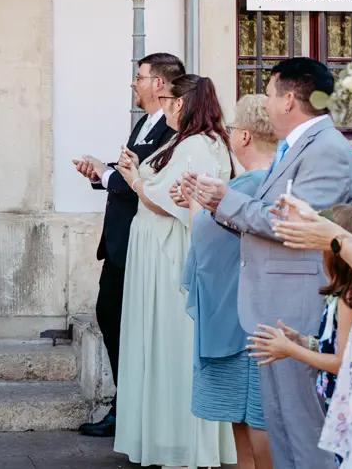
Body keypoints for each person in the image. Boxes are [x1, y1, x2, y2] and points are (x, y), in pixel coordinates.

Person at [185, 57, 352, 469]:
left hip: (297, 305)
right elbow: (263, 221)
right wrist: (219, 206)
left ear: (288, 99)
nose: (263, 105)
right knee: (281, 428)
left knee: (303, 431)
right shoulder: (299, 146)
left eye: (267, 94)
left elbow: (293, 225)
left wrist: (226, 200)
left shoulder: (328, 150)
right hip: (273, 305)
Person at [112, 74, 237, 468]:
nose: (160, 104)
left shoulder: (199, 144)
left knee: (169, 339)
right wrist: (139, 170)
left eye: (164, 98)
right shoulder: (183, 140)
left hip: (168, 251)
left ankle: (179, 441)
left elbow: (166, 202)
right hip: (153, 246)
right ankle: (161, 435)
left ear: (179, 103)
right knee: (157, 338)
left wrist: (134, 181)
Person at [72, 52, 182, 437]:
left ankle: (126, 411)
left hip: (140, 242)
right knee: (111, 318)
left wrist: (106, 175)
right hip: (120, 242)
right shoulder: (144, 123)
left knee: (124, 324)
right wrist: (99, 172)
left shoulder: (172, 130)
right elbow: (128, 172)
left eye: (140, 77)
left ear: (158, 84)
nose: (134, 84)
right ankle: (127, 404)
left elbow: (147, 181)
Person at [177, 94, 275, 469]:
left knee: (253, 420)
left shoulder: (252, 184)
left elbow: (204, 239)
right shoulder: (263, 181)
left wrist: (195, 206)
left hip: (241, 318)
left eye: (233, 127)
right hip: (248, 310)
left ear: (245, 136)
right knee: (243, 415)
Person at [269, 197, 352, 468]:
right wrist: (307, 342)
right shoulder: (345, 296)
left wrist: (290, 350)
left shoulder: (348, 300)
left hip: (349, 402)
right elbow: (340, 346)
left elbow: (341, 363)